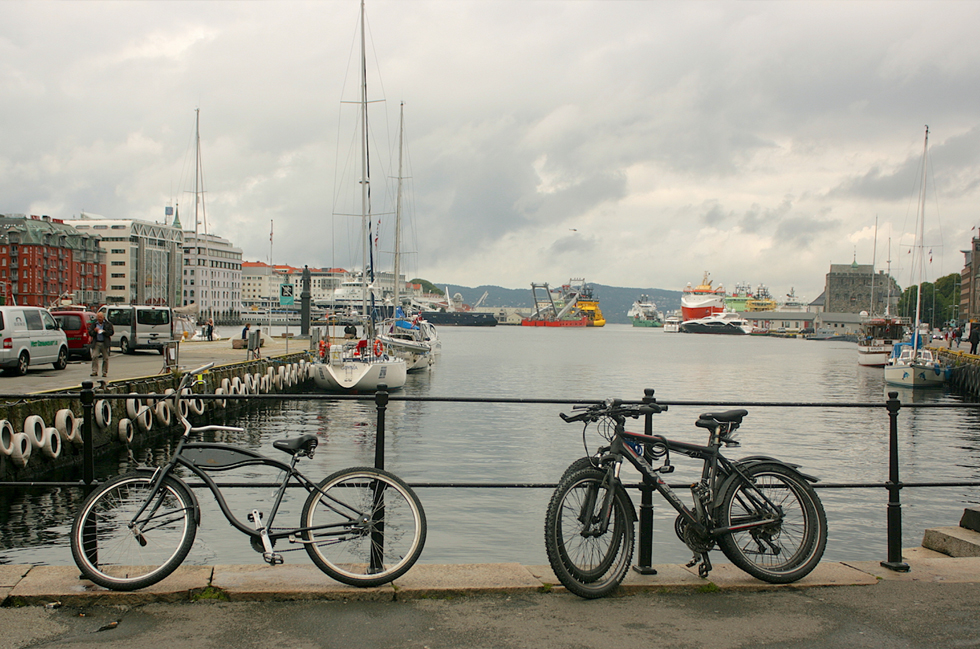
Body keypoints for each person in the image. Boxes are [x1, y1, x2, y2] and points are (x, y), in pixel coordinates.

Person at [88, 312, 114, 378]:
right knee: (94, 356)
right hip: (96, 342)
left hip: (104, 342)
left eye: (100, 317)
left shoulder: (108, 324)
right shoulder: (94, 324)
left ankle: (104, 372)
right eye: (98, 317)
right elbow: (90, 332)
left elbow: (111, 332)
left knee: (105, 358)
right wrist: (94, 331)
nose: (99, 319)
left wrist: (104, 331)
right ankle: (94, 371)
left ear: (103, 317)